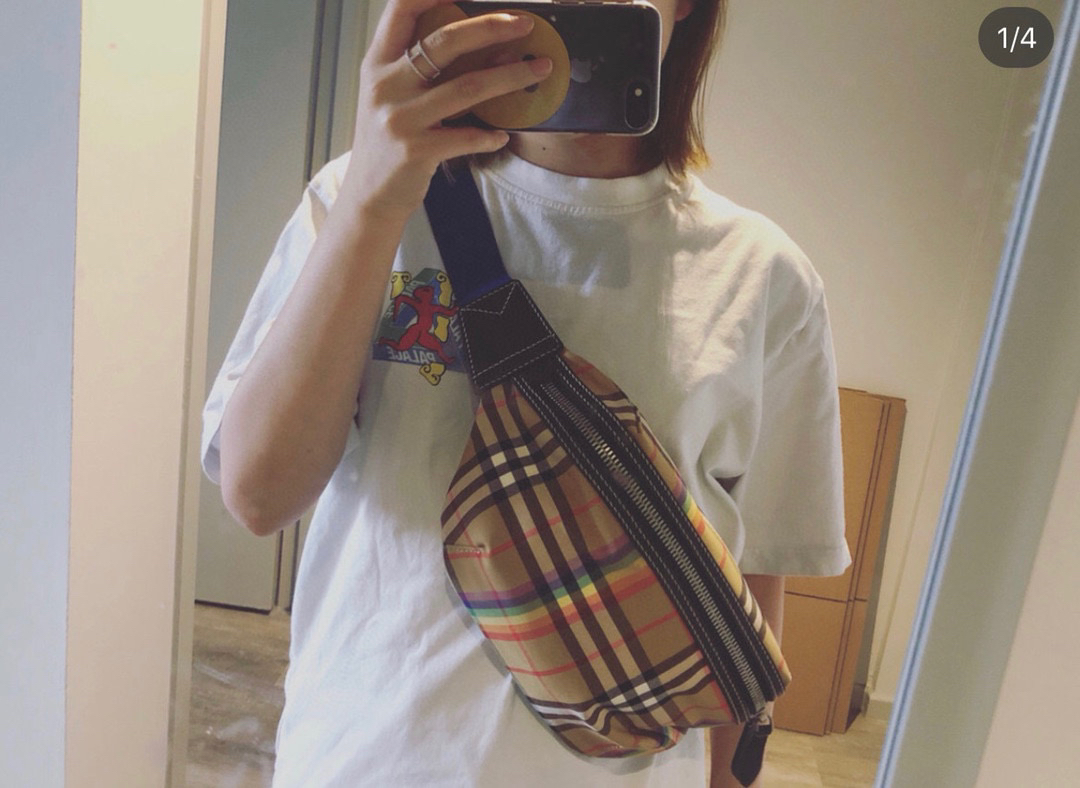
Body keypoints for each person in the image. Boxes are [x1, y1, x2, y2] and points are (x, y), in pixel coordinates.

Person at [200, 0, 851, 784]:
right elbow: (260, 494)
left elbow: (754, 572)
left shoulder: (764, 278)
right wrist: (375, 194)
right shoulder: (360, 196)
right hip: (363, 762)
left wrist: (734, 776)